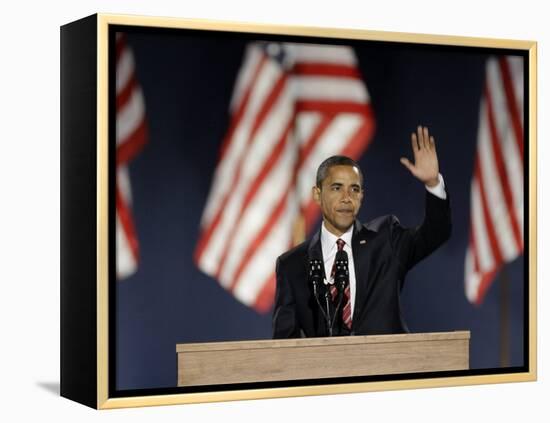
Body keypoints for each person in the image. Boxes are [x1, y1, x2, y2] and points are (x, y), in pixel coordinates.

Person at [272, 126, 451, 338]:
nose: (347, 197)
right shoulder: (292, 264)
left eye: (354, 189)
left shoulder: (386, 239)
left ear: (362, 196)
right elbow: (284, 343)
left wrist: (433, 184)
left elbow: (436, 233)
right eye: (337, 188)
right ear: (317, 194)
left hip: (389, 367)